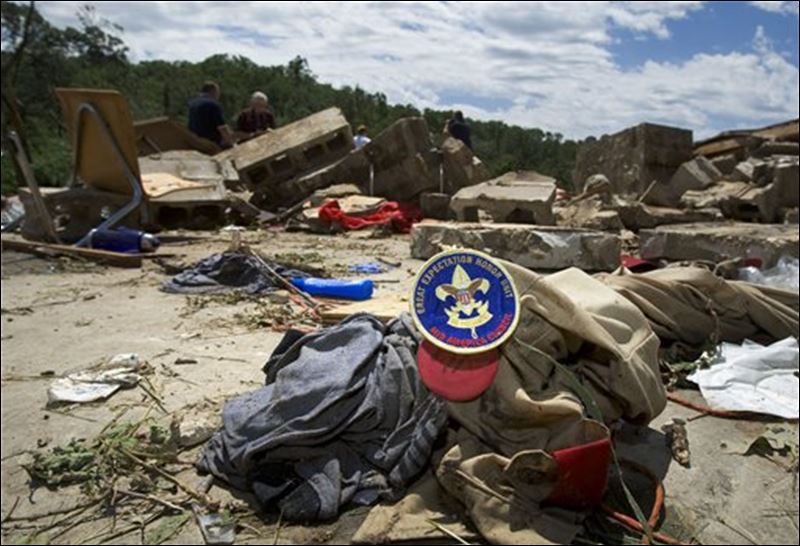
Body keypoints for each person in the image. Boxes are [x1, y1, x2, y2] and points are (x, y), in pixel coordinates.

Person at [188, 81, 234, 148]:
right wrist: (231, 143)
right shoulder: (213, 104)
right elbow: (222, 127)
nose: (218, 96)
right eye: (218, 93)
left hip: (195, 141)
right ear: (213, 91)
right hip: (211, 143)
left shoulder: (192, 104)